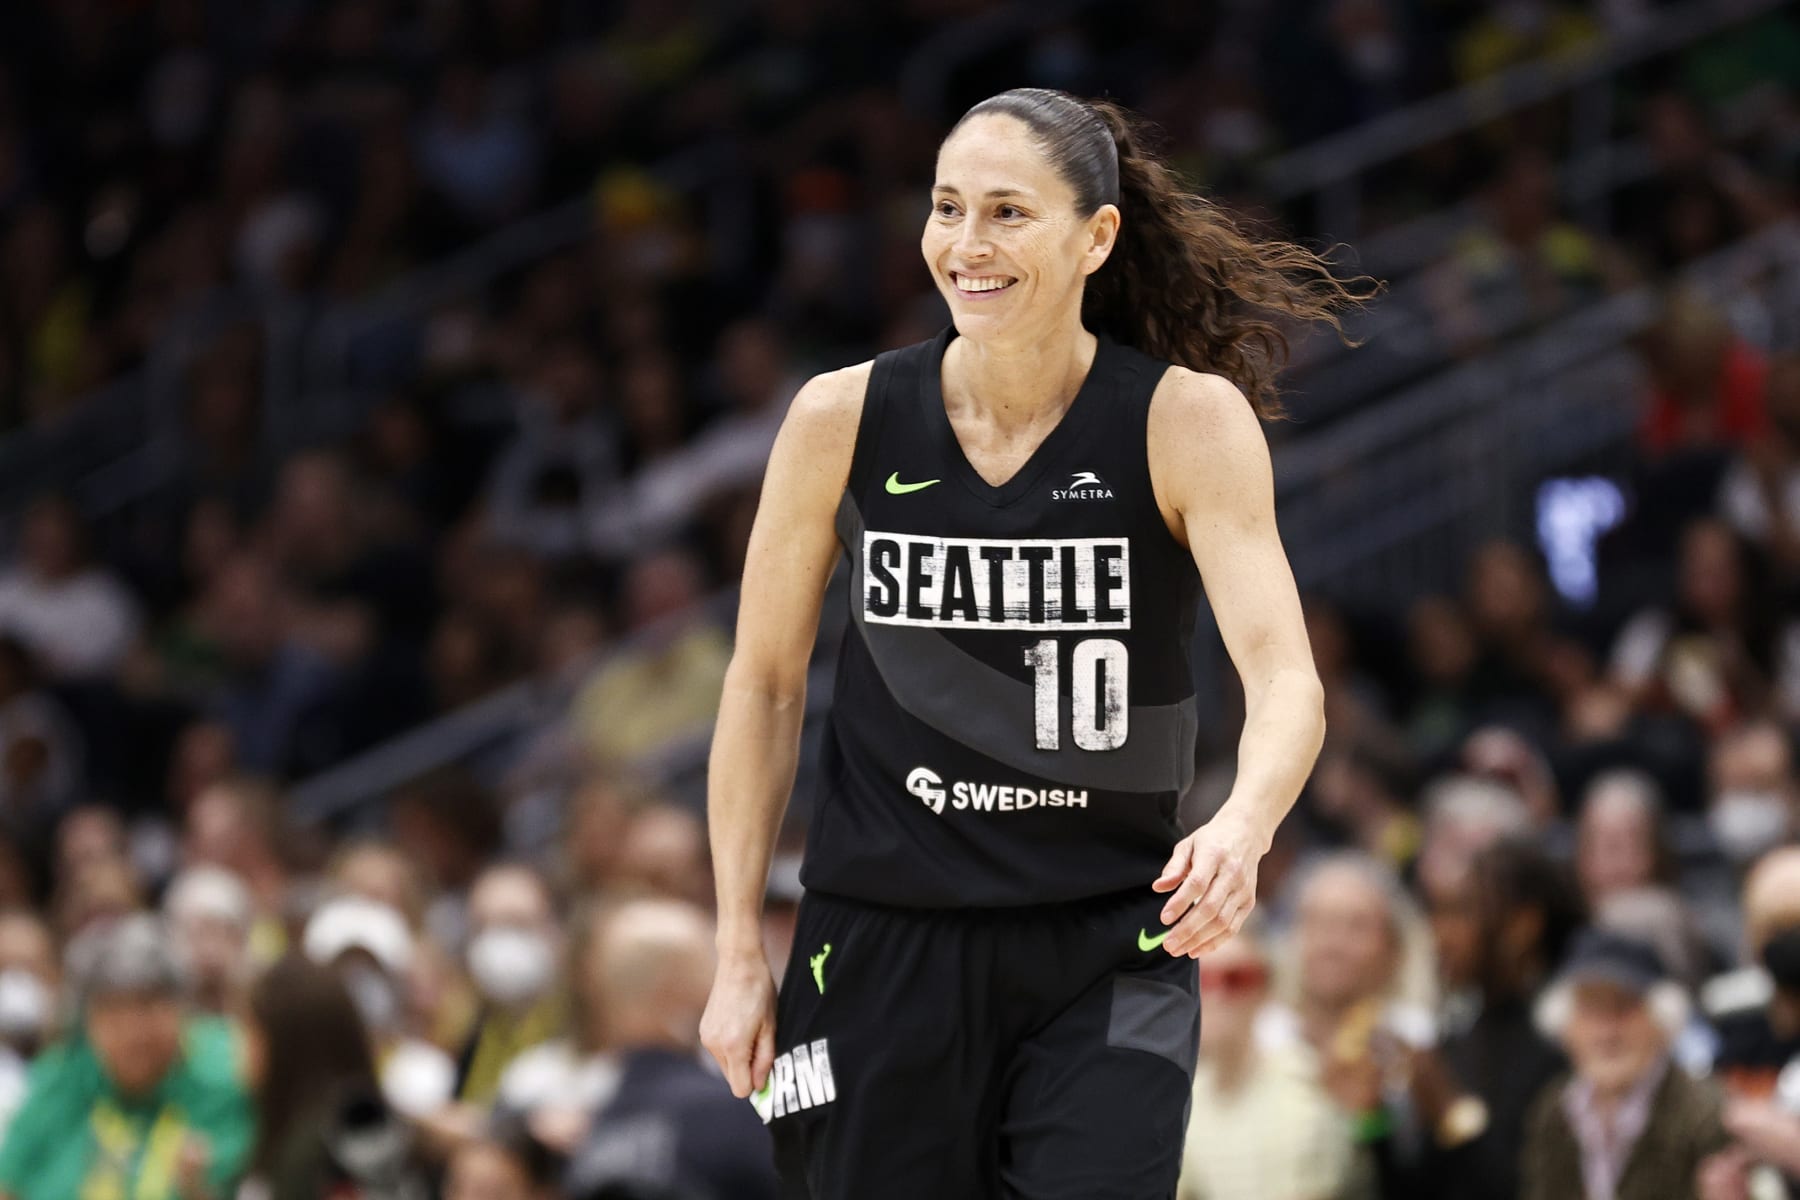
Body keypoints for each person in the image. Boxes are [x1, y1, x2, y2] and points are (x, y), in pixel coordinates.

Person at [701, 87, 1366, 1198]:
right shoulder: (837, 417)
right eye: (947, 207)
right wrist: (734, 950)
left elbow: (1287, 679)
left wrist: (1243, 827)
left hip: (1107, 946)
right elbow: (764, 685)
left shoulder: (1186, 422)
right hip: (872, 946)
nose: (967, 244)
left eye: (1008, 212)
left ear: (1096, 236)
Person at [0, 914, 254, 1200]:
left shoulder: (223, 1075)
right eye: (113, 1010)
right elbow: (9, 1181)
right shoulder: (64, 1075)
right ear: (88, 1022)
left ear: (183, 1008)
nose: (133, 1030)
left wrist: (196, 1188)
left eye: (148, 1004)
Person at [1521, 929, 1731, 1200]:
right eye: (1590, 1010)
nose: (1606, 1032)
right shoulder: (1553, 1110)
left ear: (1662, 1021)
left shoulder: (1707, 1115)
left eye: (1624, 1008)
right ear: (1565, 1026)